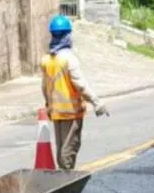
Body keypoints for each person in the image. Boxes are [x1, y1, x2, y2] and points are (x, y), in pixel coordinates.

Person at [40, 15, 108, 170]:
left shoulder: (47, 60)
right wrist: (97, 103)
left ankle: (63, 177)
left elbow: (45, 87)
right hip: (71, 112)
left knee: (61, 148)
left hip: (56, 112)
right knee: (69, 149)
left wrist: (48, 105)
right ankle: (66, 183)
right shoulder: (69, 59)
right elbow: (81, 85)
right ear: (68, 35)